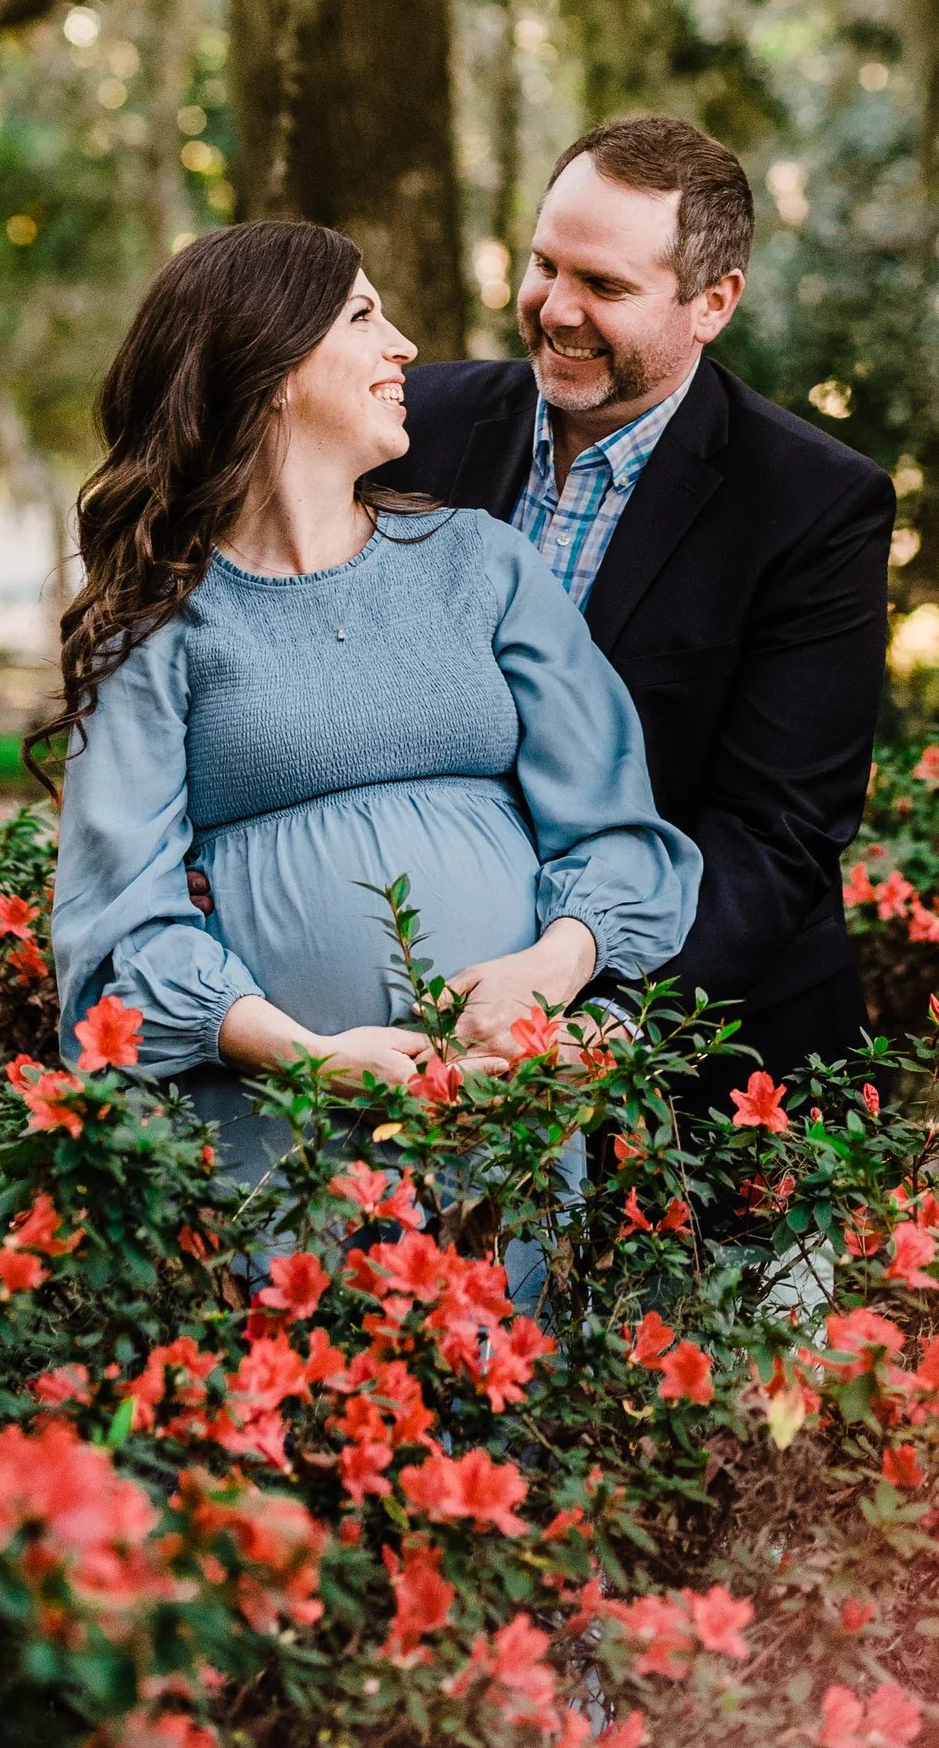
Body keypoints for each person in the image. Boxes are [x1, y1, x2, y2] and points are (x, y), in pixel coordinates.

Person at [46, 220, 700, 1175]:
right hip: (279, 1144)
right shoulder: (158, 627)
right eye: (364, 315)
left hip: (507, 1119)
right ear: (270, 366)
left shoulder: (482, 564)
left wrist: (555, 977)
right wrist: (308, 1059)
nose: (404, 347)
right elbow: (118, 928)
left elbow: (616, 832)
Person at [394, 116, 894, 1087]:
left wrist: (616, 1014)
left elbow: (775, 831)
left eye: (605, 286)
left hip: (709, 1066)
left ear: (712, 302)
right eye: (546, 265)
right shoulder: (419, 427)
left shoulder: (813, 506)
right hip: (437, 1025)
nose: (556, 309)